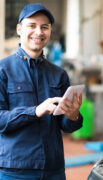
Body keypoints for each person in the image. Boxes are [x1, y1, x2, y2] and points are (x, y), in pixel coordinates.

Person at [0, 3, 83, 180]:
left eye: (44, 27)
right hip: (16, 170)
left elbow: (66, 126)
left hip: (54, 169)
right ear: (19, 29)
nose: (39, 32)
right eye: (32, 26)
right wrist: (35, 111)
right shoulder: (3, 70)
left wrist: (73, 115)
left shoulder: (58, 74)